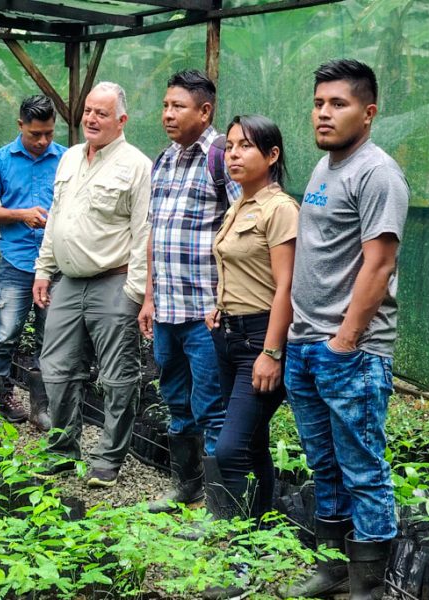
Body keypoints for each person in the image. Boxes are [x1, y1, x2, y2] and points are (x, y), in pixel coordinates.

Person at [280, 59, 409, 600]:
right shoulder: (324, 167)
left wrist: (345, 340)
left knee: (363, 469)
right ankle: (333, 568)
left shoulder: (377, 173)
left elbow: (379, 265)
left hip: (350, 352)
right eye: (318, 103)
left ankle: (367, 587)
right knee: (324, 465)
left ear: (368, 112)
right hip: (305, 345)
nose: (324, 114)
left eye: (339, 104)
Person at [32, 82, 152, 488]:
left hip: (113, 282)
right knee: (57, 369)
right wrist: (44, 270)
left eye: (102, 113)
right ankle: (63, 450)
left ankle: (108, 459)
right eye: (88, 111)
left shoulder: (136, 165)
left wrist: (136, 293)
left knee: (117, 377)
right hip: (68, 282)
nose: (91, 119)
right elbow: (56, 218)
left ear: (122, 120)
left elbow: (144, 232)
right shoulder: (69, 158)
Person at [140, 70, 234, 513]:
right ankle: (187, 487)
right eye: (165, 105)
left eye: (177, 106)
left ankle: (219, 507)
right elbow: (155, 234)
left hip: (206, 313)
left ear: (205, 111)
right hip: (166, 311)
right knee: (176, 400)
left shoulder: (223, 158)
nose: (167, 114)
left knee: (212, 407)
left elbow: (247, 227)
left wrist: (227, 301)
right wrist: (148, 297)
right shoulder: (163, 160)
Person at [203, 115, 297, 523]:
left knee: (231, 449)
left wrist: (272, 352)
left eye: (246, 146)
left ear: (272, 155)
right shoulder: (238, 204)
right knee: (252, 441)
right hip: (229, 334)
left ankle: (241, 539)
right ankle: (257, 532)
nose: (233, 154)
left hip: (261, 338)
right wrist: (221, 304)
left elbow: (287, 285)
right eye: (230, 146)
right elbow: (244, 268)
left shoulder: (280, 209)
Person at [0, 95, 67, 428]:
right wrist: (20, 215)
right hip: (16, 262)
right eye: (35, 134)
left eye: (49, 133)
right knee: (5, 334)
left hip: (57, 265)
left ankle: (41, 408)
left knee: (50, 338)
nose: (43, 141)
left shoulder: (68, 159)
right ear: (20, 126)